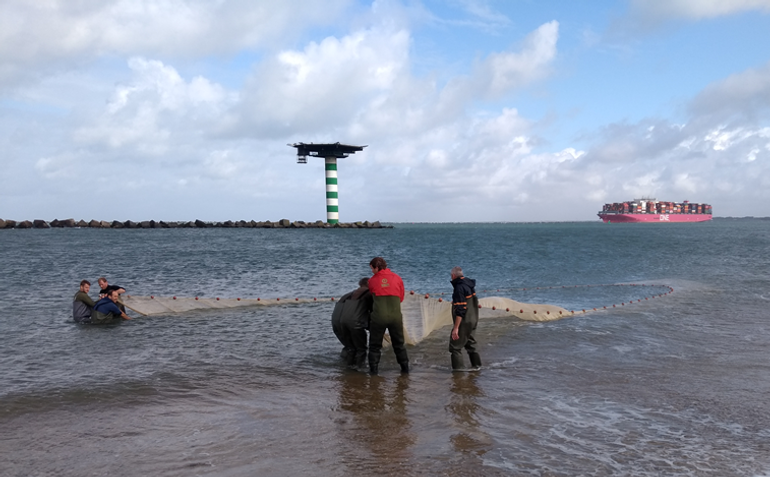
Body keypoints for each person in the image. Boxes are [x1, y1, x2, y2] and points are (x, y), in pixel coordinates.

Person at [367, 257, 409, 374]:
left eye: (372, 269)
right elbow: (401, 298)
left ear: (376, 267)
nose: (371, 271)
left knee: (375, 346)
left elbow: (372, 296)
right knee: (399, 344)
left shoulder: (371, 281)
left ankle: (373, 372)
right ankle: (405, 370)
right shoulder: (397, 278)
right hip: (395, 316)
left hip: (378, 317)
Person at [331, 278, 373, 368]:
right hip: (353, 322)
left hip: (336, 323)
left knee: (350, 347)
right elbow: (372, 312)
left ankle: (346, 367)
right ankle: (359, 370)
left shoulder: (348, 294)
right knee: (361, 349)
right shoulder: (369, 293)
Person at [449, 266, 481, 371]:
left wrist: (456, 328)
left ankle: (458, 373)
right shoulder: (469, 283)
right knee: (471, 344)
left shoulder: (459, 288)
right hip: (473, 319)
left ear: (453, 276)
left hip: (464, 321)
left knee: (455, 347)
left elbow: (461, 310)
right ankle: (477, 368)